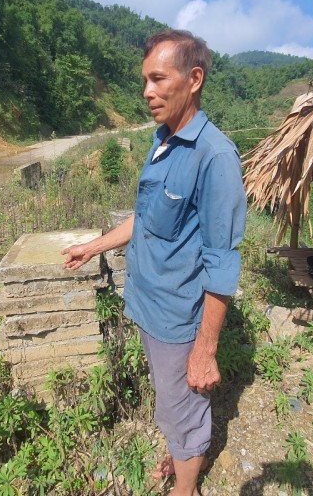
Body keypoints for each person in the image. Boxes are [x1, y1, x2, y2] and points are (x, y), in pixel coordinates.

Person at [62, 29, 246, 496]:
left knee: (182, 407)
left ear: (194, 78)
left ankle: (187, 487)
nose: (146, 92)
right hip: (147, 304)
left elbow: (223, 263)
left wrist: (205, 349)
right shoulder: (162, 140)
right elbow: (146, 219)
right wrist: (95, 246)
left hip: (177, 320)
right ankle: (181, 454)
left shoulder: (215, 156)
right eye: (144, 80)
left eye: (157, 79)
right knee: (172, 401)